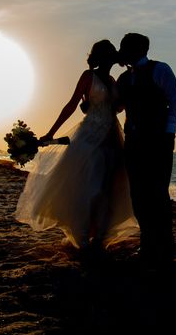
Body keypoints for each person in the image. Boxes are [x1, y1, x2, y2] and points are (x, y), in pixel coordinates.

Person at [15, 40, 138, 253]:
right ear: (102, 56)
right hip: (90, 137)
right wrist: (51, 133)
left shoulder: (112, 80)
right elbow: (71, 104)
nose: (113, 55)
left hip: (112, 137)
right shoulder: (88, 76)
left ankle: (99, 237)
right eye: (109, 52)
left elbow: (115, 108)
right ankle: (82, 237)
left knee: (108, 190)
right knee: (90, 187)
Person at [116, 33, 176, 270]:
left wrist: (168, 133)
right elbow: (118, 105)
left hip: (158, 140)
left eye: (125, 47)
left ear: (138, 49)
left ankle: (163, 247)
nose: (122, 51)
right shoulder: (123, 78)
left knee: (158, 193)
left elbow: (175, 100)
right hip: (133, 140)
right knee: (138, 194)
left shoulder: (160, 69)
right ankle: (147, 243)